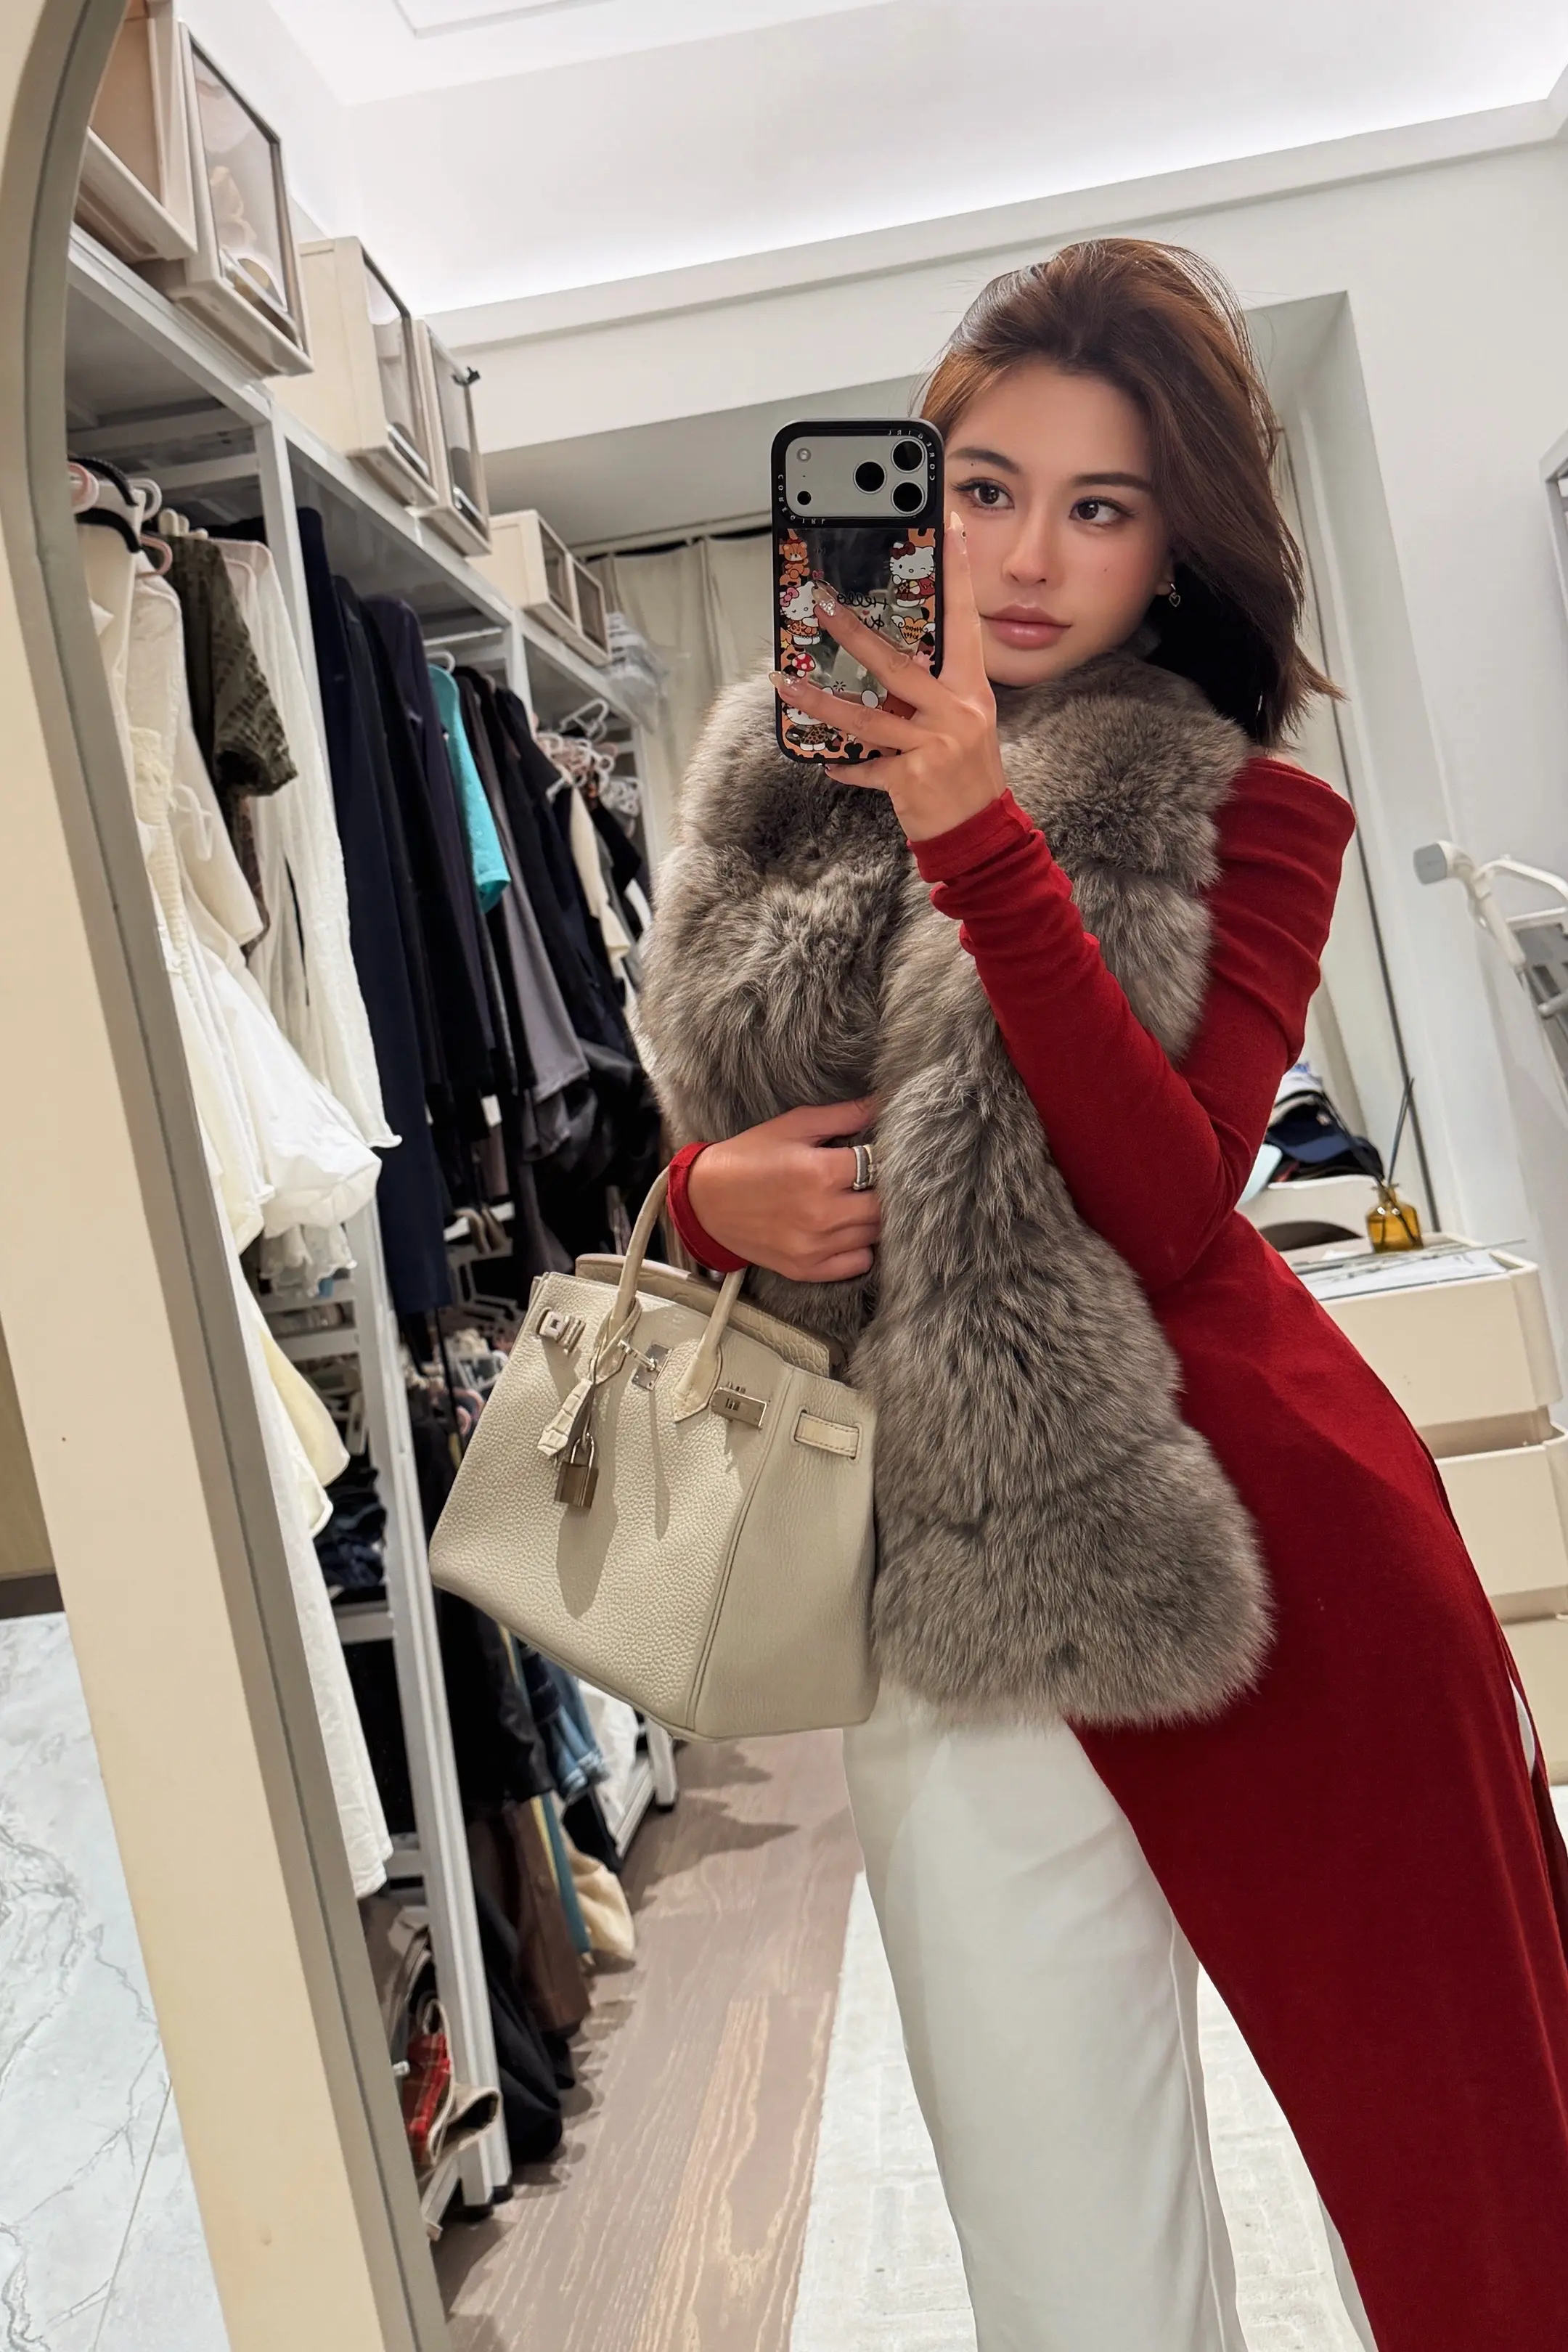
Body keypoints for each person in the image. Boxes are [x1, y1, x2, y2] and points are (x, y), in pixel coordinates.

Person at [637, 240, 1568, 2352]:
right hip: (946, 1609)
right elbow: (714, 1115)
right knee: (1071, 2275)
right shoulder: (774, 786)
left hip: (1262, 1560)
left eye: (1104, 505)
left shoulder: (1252, 813)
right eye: (983, 489)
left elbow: (1165, 1200)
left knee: (1478, 2204)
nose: (1030, 556)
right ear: (914, 491)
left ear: (1176, 547)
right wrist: (704, 1200)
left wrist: (985, 839)